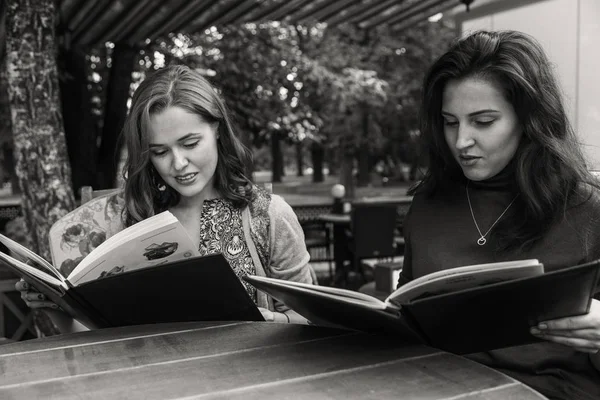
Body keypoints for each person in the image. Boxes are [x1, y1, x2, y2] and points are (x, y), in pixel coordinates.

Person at [16, 65, 315, 331]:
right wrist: (58, 310)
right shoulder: (128, 218)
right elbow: (99, 338)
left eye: (190, 143)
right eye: (160, 152)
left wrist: (265, 321)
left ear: (218, 131)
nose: (178, 163)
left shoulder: (268, 216)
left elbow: (313, 323)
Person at [399, 30, 600, 400]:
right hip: (435, 387)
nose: (461, 141)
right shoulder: (428, 204)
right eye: (450, 121)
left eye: (484, 121)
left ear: (529, 119)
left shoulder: (588, 209)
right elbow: (406, 315)